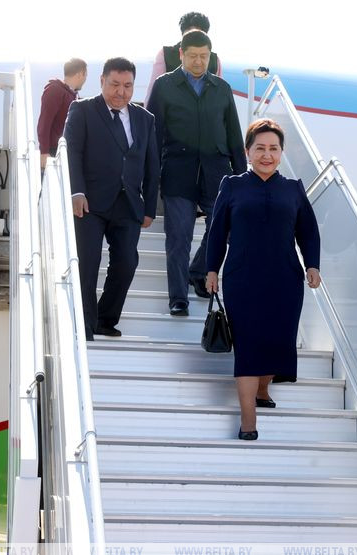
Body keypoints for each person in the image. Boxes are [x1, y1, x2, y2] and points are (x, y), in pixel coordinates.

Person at [205, 119, 321, 440]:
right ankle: (248, 420)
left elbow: (308, 232)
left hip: (285, 278)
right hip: (242, 278)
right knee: (248, 345)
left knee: (277, 340)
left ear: (281, 152)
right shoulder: (232, 186)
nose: (267, 155)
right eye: (260, 148)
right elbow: (217, 232)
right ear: (248, 152)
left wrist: (312, 265)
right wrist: (212, 269)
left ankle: (262, 387)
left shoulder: (293, 189)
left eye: (273, 148)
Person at [146, 30, 246, 317]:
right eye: (193, 56)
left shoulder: (222, 88)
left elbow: (234, 136)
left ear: (210, 56)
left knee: (223, 227)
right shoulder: (165, 86)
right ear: (181, 55)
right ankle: (178, 298)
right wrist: (149, 178)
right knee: (179, 237)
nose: (199, 62)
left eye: (204, 56)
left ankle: (198, 270)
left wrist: (242, 177)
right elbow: (153, 136)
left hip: (217, 172)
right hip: (178, 172)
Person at [64, 57, 159, 341]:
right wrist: (76, 191)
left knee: (127, 263)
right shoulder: (82, 110)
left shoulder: (145, 119)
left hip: (128, 203)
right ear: (102, 81)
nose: (121, 91)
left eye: (128, 86)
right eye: (115, 84)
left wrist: (149, 206)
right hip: (89, 203)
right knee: (88, 263)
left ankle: (105, 319)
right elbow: (72, 152)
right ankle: (84, 325)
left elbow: (152, 165)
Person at [144, 11, 222, 104]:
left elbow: (219, 94)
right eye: (189, 31)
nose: (193, 37)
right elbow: (153, 91)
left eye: (198, 32)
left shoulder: (214, 59)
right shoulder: (165, 54)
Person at [37, 58, 87, 170]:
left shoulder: (73, 95)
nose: (85, 80)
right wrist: (44, 152)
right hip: (54, 152)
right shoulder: (55, 90)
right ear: (80, 74)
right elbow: (44, 122)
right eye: (85, 75)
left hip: (68, 152)